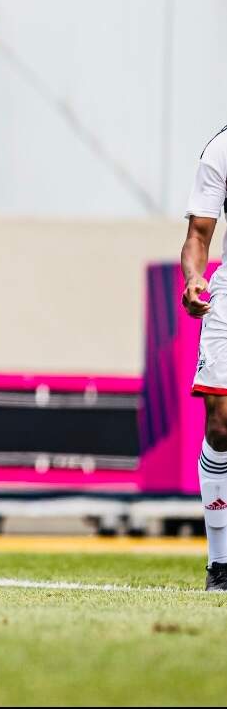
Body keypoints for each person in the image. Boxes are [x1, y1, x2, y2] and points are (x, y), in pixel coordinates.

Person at [179, 123, 227, 592]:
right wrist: (195, 279)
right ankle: (221, 563)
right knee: (220, 423)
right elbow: (198, 235)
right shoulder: (222, 148)